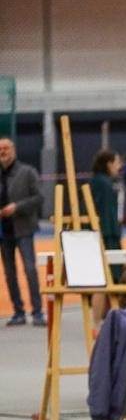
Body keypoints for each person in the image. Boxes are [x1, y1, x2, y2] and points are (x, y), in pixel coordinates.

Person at [0, 137, 46, 327]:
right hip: (3, 232)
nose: (3, 151)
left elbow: (39, 197)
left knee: (30, 269)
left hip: (24, 229)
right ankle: (18, 312)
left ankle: (37, 312)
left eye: (6, 148)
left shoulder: (27, 172)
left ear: (14, 151)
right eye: (0, 149)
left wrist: (17, 207)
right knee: (9, 273)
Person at [88, 149, 123, 252]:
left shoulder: (98, 182)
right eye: (117, 163)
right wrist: (113, 235)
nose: (119, 167)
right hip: (106, 236)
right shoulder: (104, 184)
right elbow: (107, 213)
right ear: (109, 164)